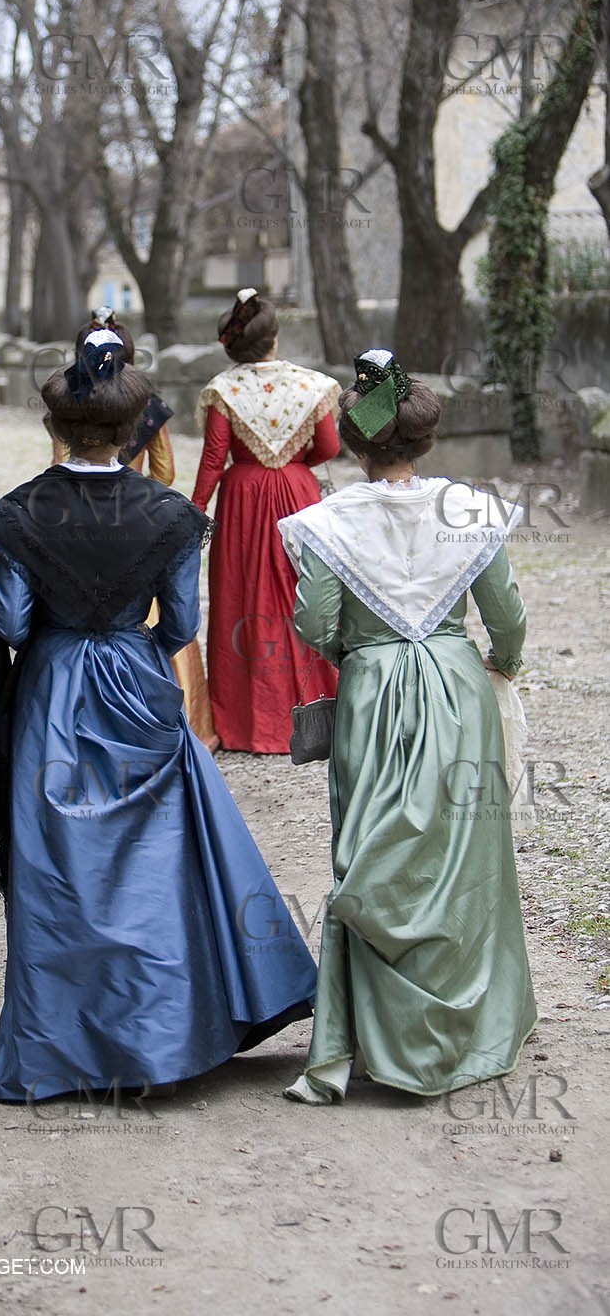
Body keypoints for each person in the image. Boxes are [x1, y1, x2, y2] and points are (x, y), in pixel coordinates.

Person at [0, 331, 318, 1103]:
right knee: (153, 861)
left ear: (54, 429)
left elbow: (16, 626)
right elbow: (182, 627)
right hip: (136, 677)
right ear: (135, 433)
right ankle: (165, 1035)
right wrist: (135, 642)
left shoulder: (22, 513)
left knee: (60, 866)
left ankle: (59, 1049)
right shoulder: (170, 515)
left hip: (56, 690)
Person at [277, 349, 536, 1104]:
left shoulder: (326, 526)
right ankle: (471, 1017)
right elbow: (507, 616)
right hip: (456, 686)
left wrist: (361, 653)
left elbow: (314, 623)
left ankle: (373, 1031)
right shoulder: (467, 510)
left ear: (354, 443)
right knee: (463, 851)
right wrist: (501, 664)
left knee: (371, 844)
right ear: (424, 439)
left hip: (371, 688)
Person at [48, 308, 218, 749]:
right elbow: (165, 471)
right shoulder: (150, 407)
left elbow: (56, 467)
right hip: (137, 519)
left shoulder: (69, 403)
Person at [192, 289, 340, 754]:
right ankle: (319, 708)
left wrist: (194, 510)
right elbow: (330, 448)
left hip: (243, 499)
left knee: (244, 595)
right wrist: (295, 463)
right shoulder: (311, 386)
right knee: (305, 591)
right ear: (274, 337)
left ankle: (250, 719)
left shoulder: (223, 391)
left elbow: (214, 459)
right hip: (298, 493)